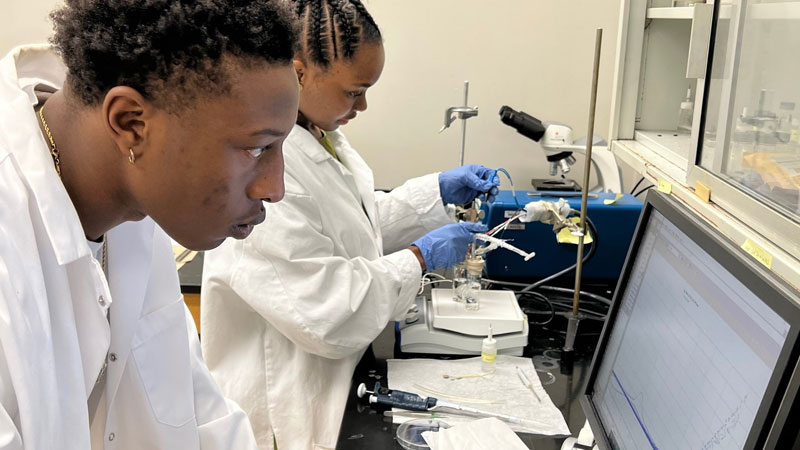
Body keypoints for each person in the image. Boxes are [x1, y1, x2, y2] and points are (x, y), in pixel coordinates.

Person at [0, 0, 300, 448]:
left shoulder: (137, 202)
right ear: (130, 122)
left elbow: (199, 416)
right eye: (256, 149)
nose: (274, 188)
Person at [200, 1, 499, 448]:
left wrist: (435, 192)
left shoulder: (318, 134)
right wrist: (420, 258)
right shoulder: (265, 170)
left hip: (338, 381)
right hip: (284, 412)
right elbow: (327, 311)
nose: (363, 105)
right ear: (299, 74)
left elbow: (351, 227)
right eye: (354, 91)